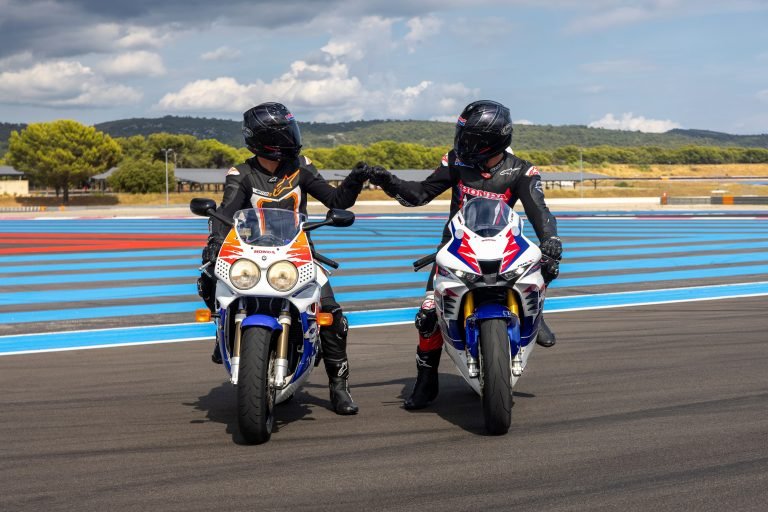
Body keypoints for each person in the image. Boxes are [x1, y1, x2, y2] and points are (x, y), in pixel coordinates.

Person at [368, 100, 563, 410]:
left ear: (493, 140)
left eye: (470, 137)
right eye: (463, 134)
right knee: (428, 316)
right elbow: (420, 194)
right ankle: (426, 380)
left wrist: (551, 239)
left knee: (544, 265)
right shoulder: (456, 162)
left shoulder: (523, 170)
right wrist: (387, 181)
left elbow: (539, 211)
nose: (463, 142)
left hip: (503, 242)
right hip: (456, 247)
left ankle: (535, 315)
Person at [197, 102, 370, 415]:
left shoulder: (300, 167)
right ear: (264, 139)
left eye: (291, 129)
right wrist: (214, 242)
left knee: (331, 315)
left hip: (297, 251)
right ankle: (222, 326)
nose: (291, 137)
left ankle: (339, 386)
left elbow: (335, 200)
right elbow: (225, 212)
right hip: (249, 251)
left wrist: (354, 180)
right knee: (208, 274)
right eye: (283, 132)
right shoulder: (242, 173)